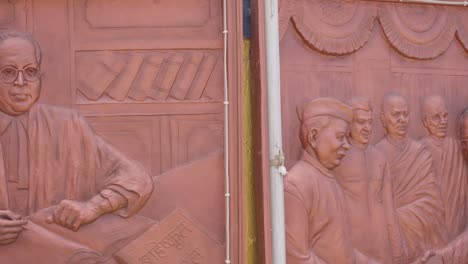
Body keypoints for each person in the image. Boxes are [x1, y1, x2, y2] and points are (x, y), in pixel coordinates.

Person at [0, 31, 153, 246]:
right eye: (8, 72)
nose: (21, 82)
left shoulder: (69, 125)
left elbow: (137, 179)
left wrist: (92, 207)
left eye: (30, 71)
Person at [284, 97, 379, 264]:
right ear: (314, 137)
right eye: (340, 137)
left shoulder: (329, 180)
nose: (347, 145)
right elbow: (297, 258)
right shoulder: (297, 185)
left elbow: (344, 251)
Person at [374, 92, 447, 262]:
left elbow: (434, 203)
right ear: (383, 118)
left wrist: (397, 216)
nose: (402, 119)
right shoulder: (376, 154)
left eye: (405, 114)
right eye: (395, 114)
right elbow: (372, 205)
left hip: (422, 237)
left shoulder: (421, 152)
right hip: (390, 241)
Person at [334, 97, 406, 264]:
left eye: (370, 122)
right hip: (353, 244)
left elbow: (389, 207)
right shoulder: (337, 157)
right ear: (349, 123)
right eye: (361, 122)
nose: (367, 128)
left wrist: (397, 250)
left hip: (381, 243)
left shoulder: (380, 158)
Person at [420, 95, 467, 241]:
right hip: (432, 228)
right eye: (436, 117)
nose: (442, 122)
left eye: (445, 115)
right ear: (425, 122)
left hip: (458, 224)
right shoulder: (420, 150)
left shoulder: (457, 146)